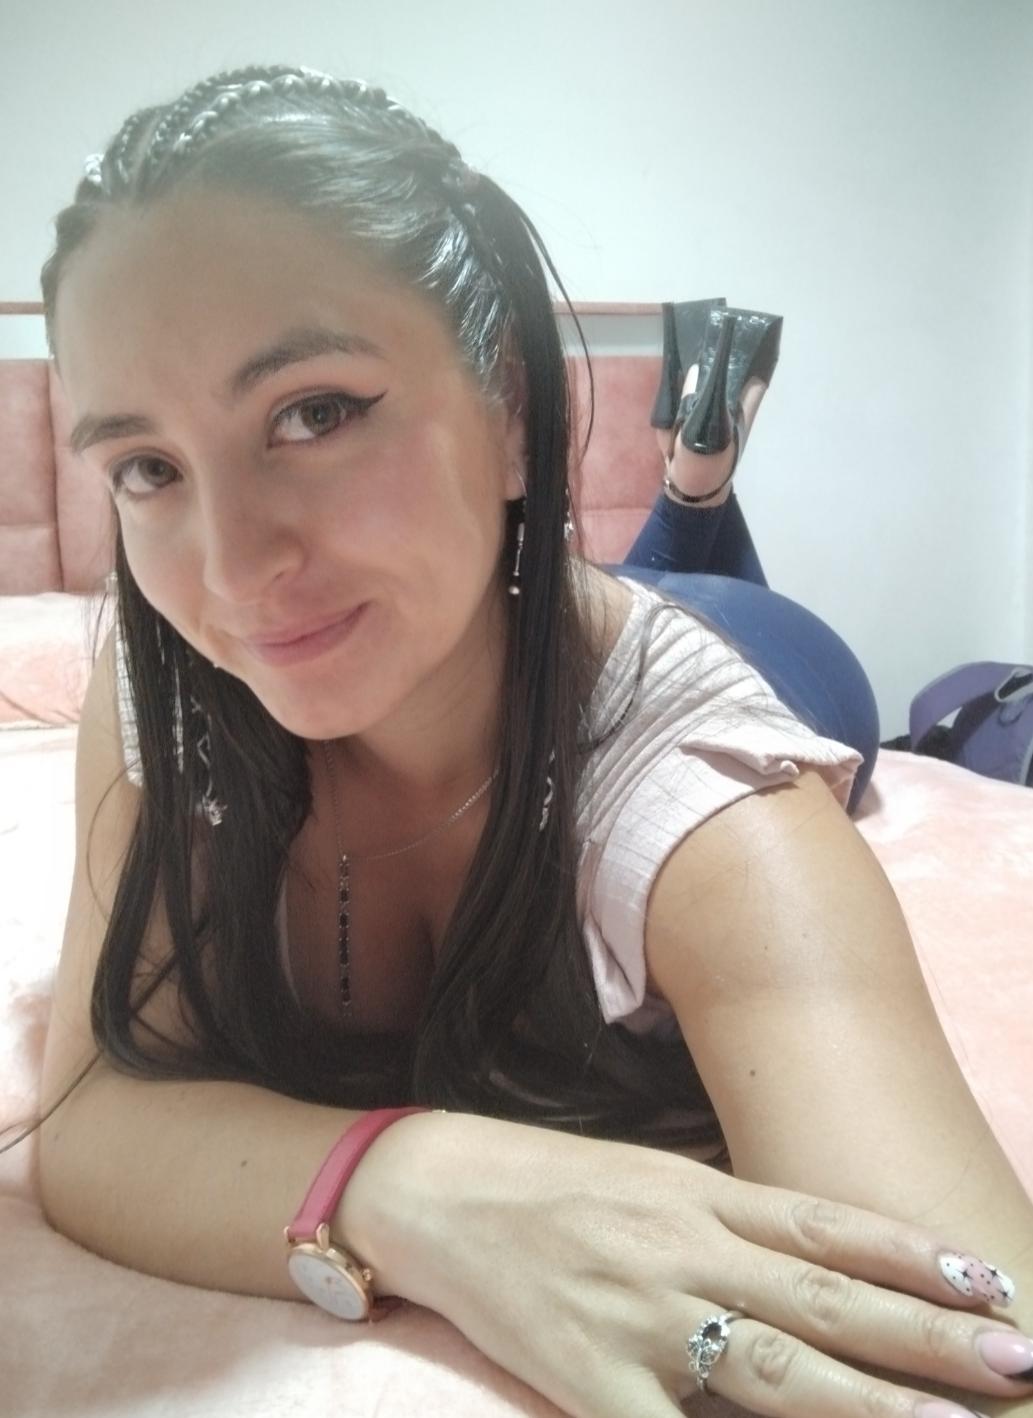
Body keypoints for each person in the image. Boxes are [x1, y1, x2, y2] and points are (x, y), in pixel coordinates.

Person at [9, 62, 1033, 1418]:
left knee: (716, 607)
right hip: (517, 591)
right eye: (148, 467)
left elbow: (974, 1340)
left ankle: (692, 501)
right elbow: (93, 1116)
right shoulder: (170, 688)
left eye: (314, 412)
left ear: (508, 407)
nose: (234, 569)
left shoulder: (714, 800)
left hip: (766, 648)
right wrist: (409, 1182)